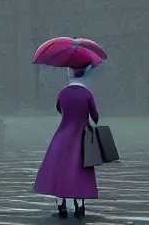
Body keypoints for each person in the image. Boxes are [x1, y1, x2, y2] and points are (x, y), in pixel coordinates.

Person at [34, 64, 99, 219]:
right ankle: (80, 205)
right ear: (83, 73)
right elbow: (95, 116)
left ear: (70, 73)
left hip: (62, 135)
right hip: (81, 136)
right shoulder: (87, 93)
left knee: (60, 169)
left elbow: (59, 108)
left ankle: (61, 204)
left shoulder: (62, 93)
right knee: (80, 170)